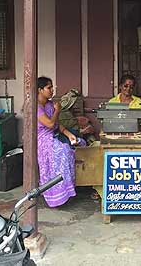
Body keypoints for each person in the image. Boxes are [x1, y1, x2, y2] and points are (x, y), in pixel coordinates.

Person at [37, 77, 85, 207]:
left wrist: (69, 135)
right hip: (42, 140)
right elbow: (50, 124)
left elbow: (58, 125)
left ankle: (72, 187)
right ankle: (56, 193)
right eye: (49, 88)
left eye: (52, 87)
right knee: (64, 151)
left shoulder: (49, 104)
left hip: (54, 135)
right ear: (40, 90)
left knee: (81, 143)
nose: (52, 90)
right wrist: (58, 110)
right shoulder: (37, 108)